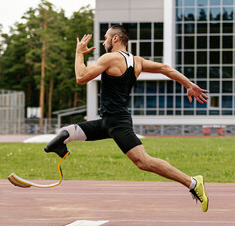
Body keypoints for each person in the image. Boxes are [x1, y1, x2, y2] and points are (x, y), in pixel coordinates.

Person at [45, 25, 209, 212]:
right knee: (65, 133)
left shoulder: (110, 58)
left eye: (106, 38)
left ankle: (193, 182)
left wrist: (78, 53)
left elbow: (81, 77)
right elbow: (164, 68)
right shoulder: (137, 61)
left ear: (115, 39)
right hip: (107, 122)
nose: (104, 41)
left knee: (144, 162)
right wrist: (188, 84)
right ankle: (60, 145)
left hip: (117, 122)